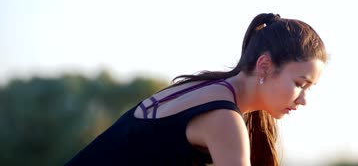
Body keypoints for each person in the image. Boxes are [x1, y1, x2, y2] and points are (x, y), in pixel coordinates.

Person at [65, 13, 327, 166]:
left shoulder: (208, 89)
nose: (303, 99)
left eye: (309, 89)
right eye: (299, 84)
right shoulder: (224, 119)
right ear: (265, 66)